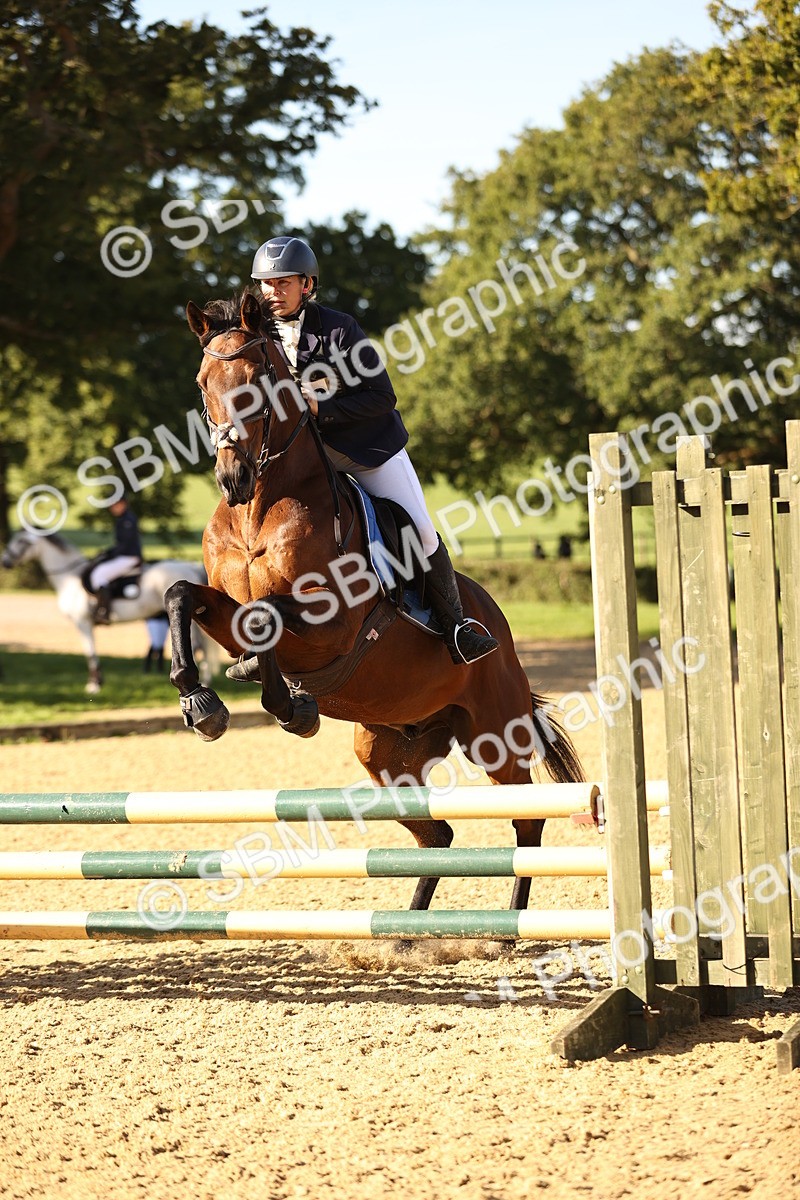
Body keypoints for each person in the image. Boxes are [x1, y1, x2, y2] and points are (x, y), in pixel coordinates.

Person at [250, 235, 498, 666]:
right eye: (265, 284)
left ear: (307, 284)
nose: (273, 292)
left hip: (364, 448)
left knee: (418, 530)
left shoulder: (340, 329)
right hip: (304, 457)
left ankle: (456, 626)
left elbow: (382, 398)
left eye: (283, 283)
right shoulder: (255, 336)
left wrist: (318, 406)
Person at [89, 495, 142, 624]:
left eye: (114, 505)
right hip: (124, 555)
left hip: (129, 557)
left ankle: (104, 611)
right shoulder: (123, 519)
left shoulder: (127, 520)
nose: (112, 508)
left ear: (122, 504)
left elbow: (126, 544)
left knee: (99, 575)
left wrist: (110, 554)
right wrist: (107, 553)